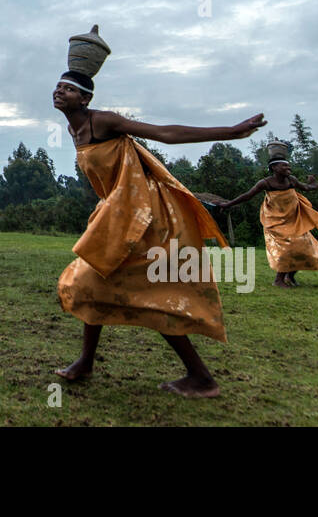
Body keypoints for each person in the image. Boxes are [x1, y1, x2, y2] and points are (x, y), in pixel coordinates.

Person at [52, 62, 265, 398]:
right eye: (59, 87)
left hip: (147, 215)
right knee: (95, 281)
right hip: (116, 213)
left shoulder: (104, 121)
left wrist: (230, 132)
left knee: (142, 291)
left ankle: (201, 378)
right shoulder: (73, 130)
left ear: (85, 99)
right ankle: (87, 362)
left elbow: (166, 133)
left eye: (69, 89)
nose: (60, 91)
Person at [219, 156, 318, 287]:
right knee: (287, 248)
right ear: (274, 168)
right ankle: (278, 280)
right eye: (284, 166)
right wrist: (227, 204)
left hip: (293, 219)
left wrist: (313, 184)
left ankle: (290, 277)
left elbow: (305, 187)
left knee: (303, 246)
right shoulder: (266, 183)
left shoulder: (291, 180)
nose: (288, 168)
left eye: (288, 165)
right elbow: (247, 195)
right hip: (275, 220)